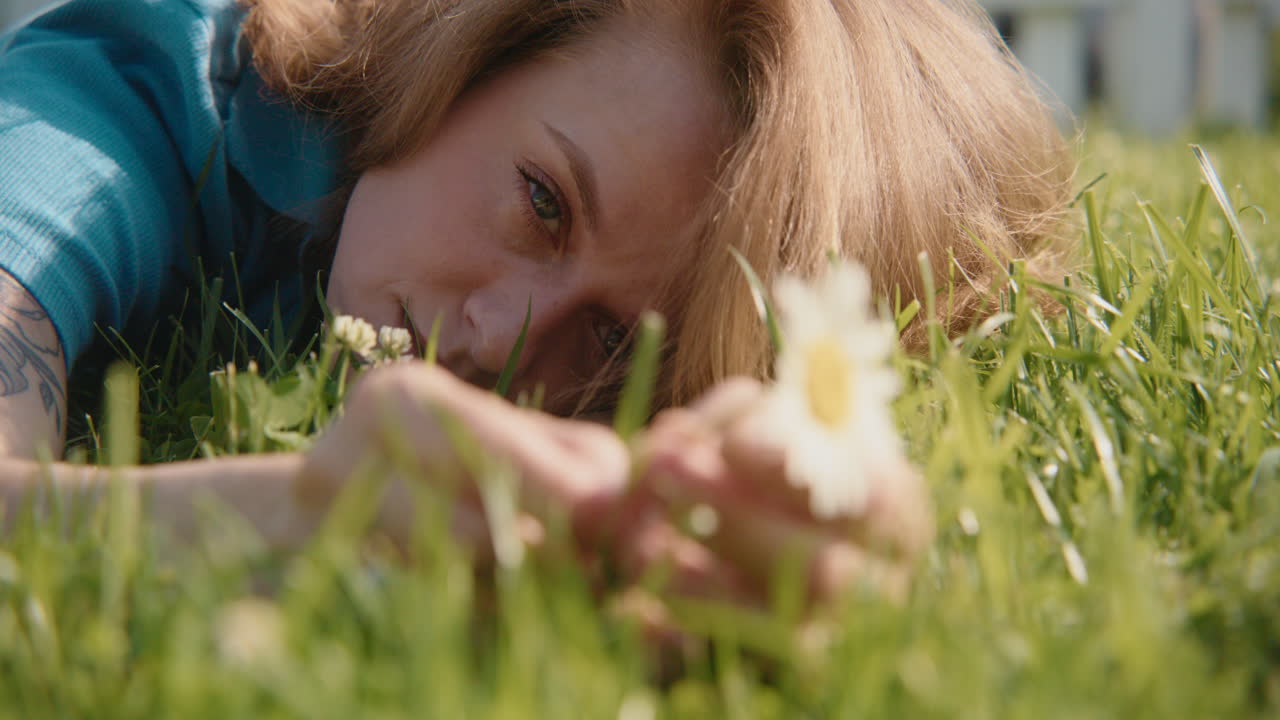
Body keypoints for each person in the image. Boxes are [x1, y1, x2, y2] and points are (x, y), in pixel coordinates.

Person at [0, 0, 1072, 609]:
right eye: (543, 203)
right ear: (476, 48)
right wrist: (282, 517)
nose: (497, 346)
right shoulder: (136, 92)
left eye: (615, 347)